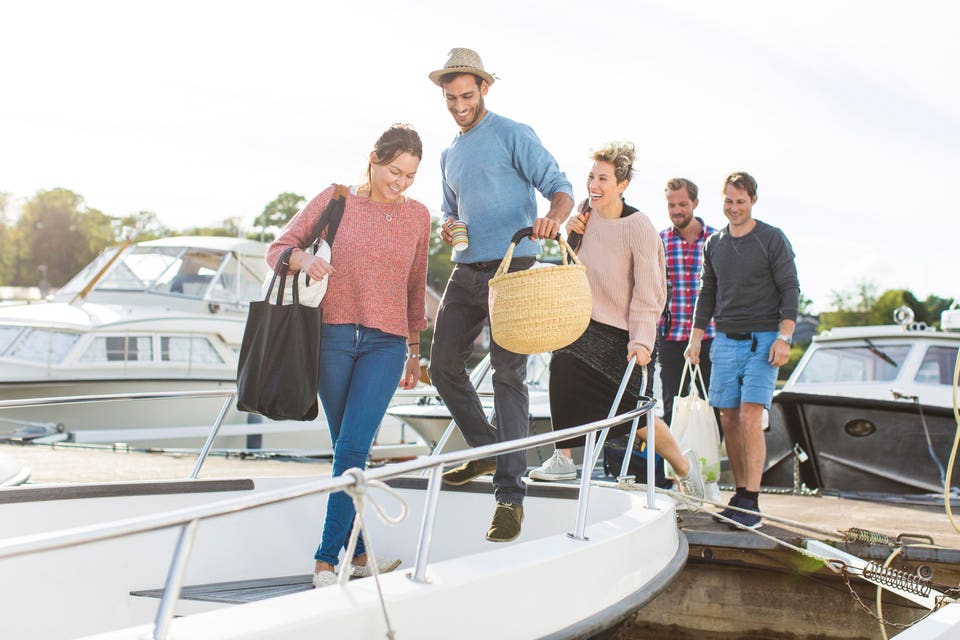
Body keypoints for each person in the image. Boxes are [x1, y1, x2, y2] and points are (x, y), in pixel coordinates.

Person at [266, 124, 430, 587]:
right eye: (395, 171)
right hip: (331, 338)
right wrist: (306, 261)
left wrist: (414, 351)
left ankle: (324, 560)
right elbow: (279, 248)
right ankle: (358, 554)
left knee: (353, 447)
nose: (401, 182)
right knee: (348, 452)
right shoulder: (337, 199)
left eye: (411, 176)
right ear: (375, 159)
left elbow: (415, 285)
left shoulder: (418, 215)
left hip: (386, 343)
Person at [426, 48, 574, 543]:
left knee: (508, 376)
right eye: (451, 98)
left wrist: (553, 214)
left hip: (516, 268)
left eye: (467, 96)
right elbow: (452, 212)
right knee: (443, 365)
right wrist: (449, 228)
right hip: (467, 273)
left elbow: (560, 186)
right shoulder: (449, 153)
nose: (459, 105)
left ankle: (510, 495)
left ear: (484, 89)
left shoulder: (514, 133)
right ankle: (487, 450)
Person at [526, 142, 704, 505]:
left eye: (603, 178)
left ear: (622, 184)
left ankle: (685, 467)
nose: (594, 184)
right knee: (562, 373)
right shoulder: (584, 216)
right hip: (583, 322)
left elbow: (649, 291)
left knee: (633, 418)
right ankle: (564, 458)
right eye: (592, 176)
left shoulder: (638, 226)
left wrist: (641, 340)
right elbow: (571, 265)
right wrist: (570, 233)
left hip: (624, 333)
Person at [685, 171, 799, 529]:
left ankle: (751, 500)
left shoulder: (771, 239)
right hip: (725, 340)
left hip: (765, 340)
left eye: (740, 201)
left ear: (752, 201)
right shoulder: (714, 244)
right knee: (729, 420)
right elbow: (707, 293)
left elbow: (790, 288)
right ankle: (739, 494)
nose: (734, 208)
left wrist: (786, 336)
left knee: (750, 418)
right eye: (728, 202)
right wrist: (694, 336)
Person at [657, 178, 718, 424]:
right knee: (673, 409)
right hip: (671, 339)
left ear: (695, 203)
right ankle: (675, 463)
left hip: (710, 336)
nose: (676, 211)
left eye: (682, 204)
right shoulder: (659, 241)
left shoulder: (716, 239)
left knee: (713, 409)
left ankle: (709, 461)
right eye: (671, 205)